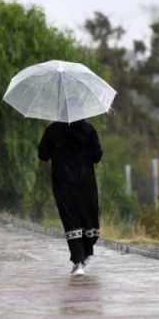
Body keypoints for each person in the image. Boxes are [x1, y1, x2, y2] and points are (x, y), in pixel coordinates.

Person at [37, 114, 103, 276]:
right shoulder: (88, 129)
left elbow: (43, 155)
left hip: (63, 181)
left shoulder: (52, 130)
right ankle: (85, 253)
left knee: (70, 219)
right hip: (85, 182)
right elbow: (97, 156)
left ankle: (78, 260)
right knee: (87, 217)